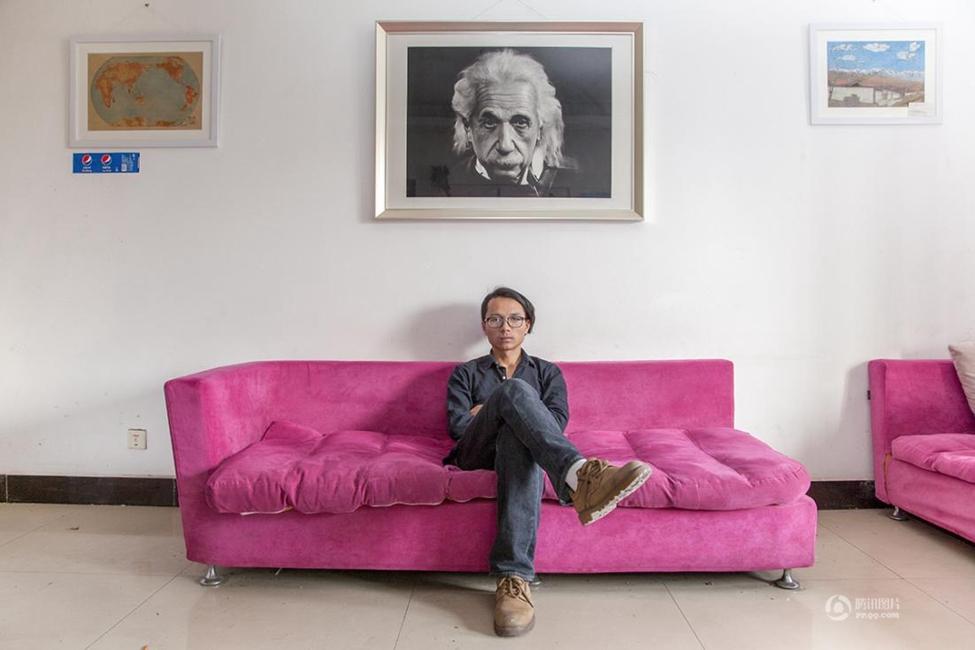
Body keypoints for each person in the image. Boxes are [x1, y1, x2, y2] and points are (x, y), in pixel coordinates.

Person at [443, 287, 652, 637]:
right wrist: (510, 407)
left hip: (523, 451)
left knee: (516, 439)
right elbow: (459, 426)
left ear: (528, 324)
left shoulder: (547, 372)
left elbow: (555, 424)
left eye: (515, 319)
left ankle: (513, 578)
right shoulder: (465, 374)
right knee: (513, 393)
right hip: (474, 452)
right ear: (484, 326)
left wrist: (495, 413)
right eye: (495, 319)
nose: (505, 327)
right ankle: (581, 476)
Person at [444, 49, 578, 197]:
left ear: (540, 129)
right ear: (468, 128)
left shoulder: (569, 181)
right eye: (489, 123)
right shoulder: (446, 185)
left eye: (521, 123)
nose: (505, 146)